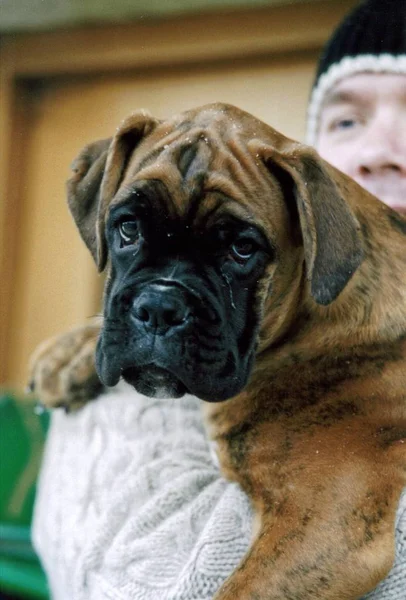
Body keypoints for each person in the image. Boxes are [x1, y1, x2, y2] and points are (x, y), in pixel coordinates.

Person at [32, 1, 406, 598]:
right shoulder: (117, 417)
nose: (377, 151)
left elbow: (341, 545)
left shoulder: (360, 371)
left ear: (317, 222)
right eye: (345, 122)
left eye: (237, 249)